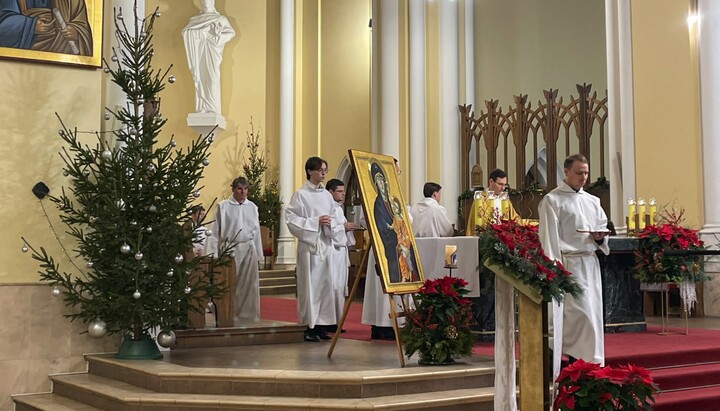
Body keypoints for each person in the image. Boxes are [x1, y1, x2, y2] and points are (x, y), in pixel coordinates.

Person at [538, 154, 610, 376]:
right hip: (568, 264)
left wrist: (599, 238)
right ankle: (573, 362)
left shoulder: (593, 201)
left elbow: (602, 229)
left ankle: (588, 365)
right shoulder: (553, 200)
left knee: (592, 316)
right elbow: (548, 238)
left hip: (589, 262)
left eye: (586, 173)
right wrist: (554, 268)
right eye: (579, 173)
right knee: (577, 316)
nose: (584, 177)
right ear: (566, 172)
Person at [285, 157, 337, 342]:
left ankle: (322, 324)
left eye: (326, 170)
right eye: (321, 170)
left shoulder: (326, 195)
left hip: (325, 243)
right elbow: (291, 219)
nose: (324, 173)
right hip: (310, 246)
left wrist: (330, 223)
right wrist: (315, 222)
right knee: (310, 286)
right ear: (310, 171)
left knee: (325, 286)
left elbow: (334, 216)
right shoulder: (300, 194)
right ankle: (309, 325)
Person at [361, 158, 410, 340]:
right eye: (395, 172)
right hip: (384, 248)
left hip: (397, 248)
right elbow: (377, 224)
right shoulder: (375, 203)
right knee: (382, 289)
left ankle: (397, 323)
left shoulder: (395, 199)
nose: (397, 175)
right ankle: (382, 325)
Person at [206, 177, 263, 324]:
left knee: (248, 283)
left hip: (248, 246)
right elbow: (215, 231)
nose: (243, 192)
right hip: (230, 247)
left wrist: (259, 255)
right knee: (229, 281)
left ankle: (247, 314)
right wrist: (213, 254)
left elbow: (256, 231)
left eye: (245, 189)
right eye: (239, 189)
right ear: (233, 189)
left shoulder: (253, 207)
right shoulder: (223, 206)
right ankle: (227, 312)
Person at [182, 0, 235, 114]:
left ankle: (212, 108)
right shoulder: (194, 20)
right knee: (200, 78)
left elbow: (230, 33)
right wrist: (203, 32)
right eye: (203, 1)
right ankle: (202, 107)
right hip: (199, 53)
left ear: (213, 2)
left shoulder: (220, 19)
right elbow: (186, 32)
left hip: (212, 53)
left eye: (208, 0)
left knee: (212, 78)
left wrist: (217, 37)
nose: (205, 3)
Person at [0, 0, 92, 55]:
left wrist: (76, 32)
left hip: (63, 65)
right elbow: (3, 26)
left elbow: (82, 25)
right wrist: (31, 25)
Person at [325, 178, 356, 332]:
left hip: (341, 252)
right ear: (330, 192)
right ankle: (331, 321)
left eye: (343, 191)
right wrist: (343, 227)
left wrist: (347, 228)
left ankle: (337, 321)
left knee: (340, 288)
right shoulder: (328, 207)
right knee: (334, 287)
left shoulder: (338, 208)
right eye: (339, 191)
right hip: (333, 252)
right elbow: (329, 229)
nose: (343, 194)